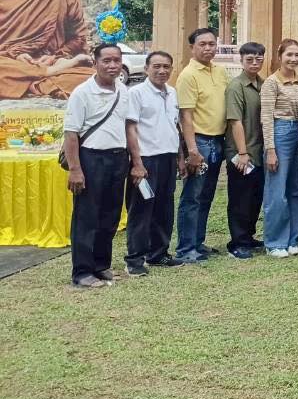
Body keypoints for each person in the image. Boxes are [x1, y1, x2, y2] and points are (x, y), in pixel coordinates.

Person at [63, 43, 135, 288]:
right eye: (107, 60)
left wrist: (135, 160)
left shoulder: (123, 91)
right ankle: (82, 272)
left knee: (111, 215)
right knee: (86, 217)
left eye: (117, 60)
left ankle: (101, 265)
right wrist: (75, 169)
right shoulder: (82, 93)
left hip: (118, 158)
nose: (112, 65)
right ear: (95, 62)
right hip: (91, 159)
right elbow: (71, 134)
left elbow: (128, 127)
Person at [123, 51, 182, 275]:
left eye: (167, 66)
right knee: (141, 210)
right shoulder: (136, 93)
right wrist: (137, 163)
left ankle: (159, 254)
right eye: (156, 66)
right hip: (145, 160)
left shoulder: (172, 92)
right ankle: (135, 260)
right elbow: (131, 128)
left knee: (164, 208)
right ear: (146, 68)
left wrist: (179, 158)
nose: (162, 71)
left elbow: (173, 126)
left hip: (167, 158)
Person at [174, 28, 229, 264]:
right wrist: (192, 150)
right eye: (202, 44)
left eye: (211, 44)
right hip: (199, 142)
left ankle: (198, 242)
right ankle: (186, 248)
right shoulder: (188, 75)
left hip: (218, 141)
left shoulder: (220, 71)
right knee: (192, 196)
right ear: (192, 48)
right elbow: (186, 116)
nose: (208, 48)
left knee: (206, 195)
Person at [260, 39, 298, 258]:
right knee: (277, 190)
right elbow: (266, 117)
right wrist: (270, 149)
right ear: (280, 56)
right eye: (289, 54)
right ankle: (275, 242)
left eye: (297, 55)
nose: (293, 59)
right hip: (281, 132)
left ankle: (293, 239)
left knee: (297, 189)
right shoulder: (271, 82)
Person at [224, 41, 266, 259]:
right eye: (249, 59)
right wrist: (242, 152)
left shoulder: (263, 84)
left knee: (255, 197)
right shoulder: (236, 86)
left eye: (258, 58)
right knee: (240, 199)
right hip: (242, 153)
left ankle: (248, 236)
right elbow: (235, 122)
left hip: (258, 152)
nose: (254, 62)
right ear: (241, 60)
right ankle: (238, 242)